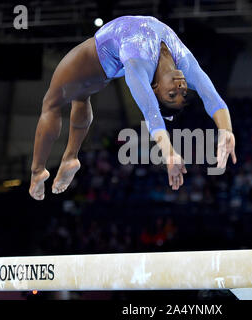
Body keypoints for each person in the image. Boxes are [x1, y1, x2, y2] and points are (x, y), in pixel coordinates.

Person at [29, 15, 237, 201]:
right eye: (182, 94)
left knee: (51, 102)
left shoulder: (139, 65)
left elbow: (151, 113)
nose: (180, 88)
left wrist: (170, 154)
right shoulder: (183, 60)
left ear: (153, 88)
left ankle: (37, 171)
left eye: (171, 95)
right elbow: (212, 96)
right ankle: (70, 158)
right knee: (82, 97)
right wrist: (226, 130)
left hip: (98, 59)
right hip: (110, 60)